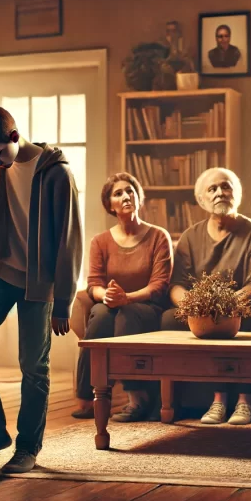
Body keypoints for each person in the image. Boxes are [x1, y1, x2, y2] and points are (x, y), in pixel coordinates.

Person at [0, 105, 83, 474]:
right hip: (1, 271)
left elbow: (69, 240)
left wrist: (64, 301)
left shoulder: (58, 174)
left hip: (39, 283)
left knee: (33, 366)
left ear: (14, 137)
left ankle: (27, 447)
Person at [161, 168, 251, 425]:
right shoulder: (190, 237)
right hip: (199, 309)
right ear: (201, 199)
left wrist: (225, 305)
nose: (220, 192)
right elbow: (176, 284)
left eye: (226, 187)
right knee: (168, 318)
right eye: (212, 189)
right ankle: (213, 400)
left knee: (246, 314)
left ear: (237, 194)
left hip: (238, 305)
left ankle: (245, 401)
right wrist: (193, 305)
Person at [72, 173, 173, 422]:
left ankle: (137, 398)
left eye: (130, 191)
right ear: (110, 205)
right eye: (118, 193)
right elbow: (93, 284)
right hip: (111, 304)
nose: (126, 196)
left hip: (146, 307)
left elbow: (159, 286)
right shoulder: (100, 242)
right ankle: (89, 396)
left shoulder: (159, 236)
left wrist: (126, 298)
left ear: (139, 198)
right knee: (99, 316)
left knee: (125, 315)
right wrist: (106, 295)